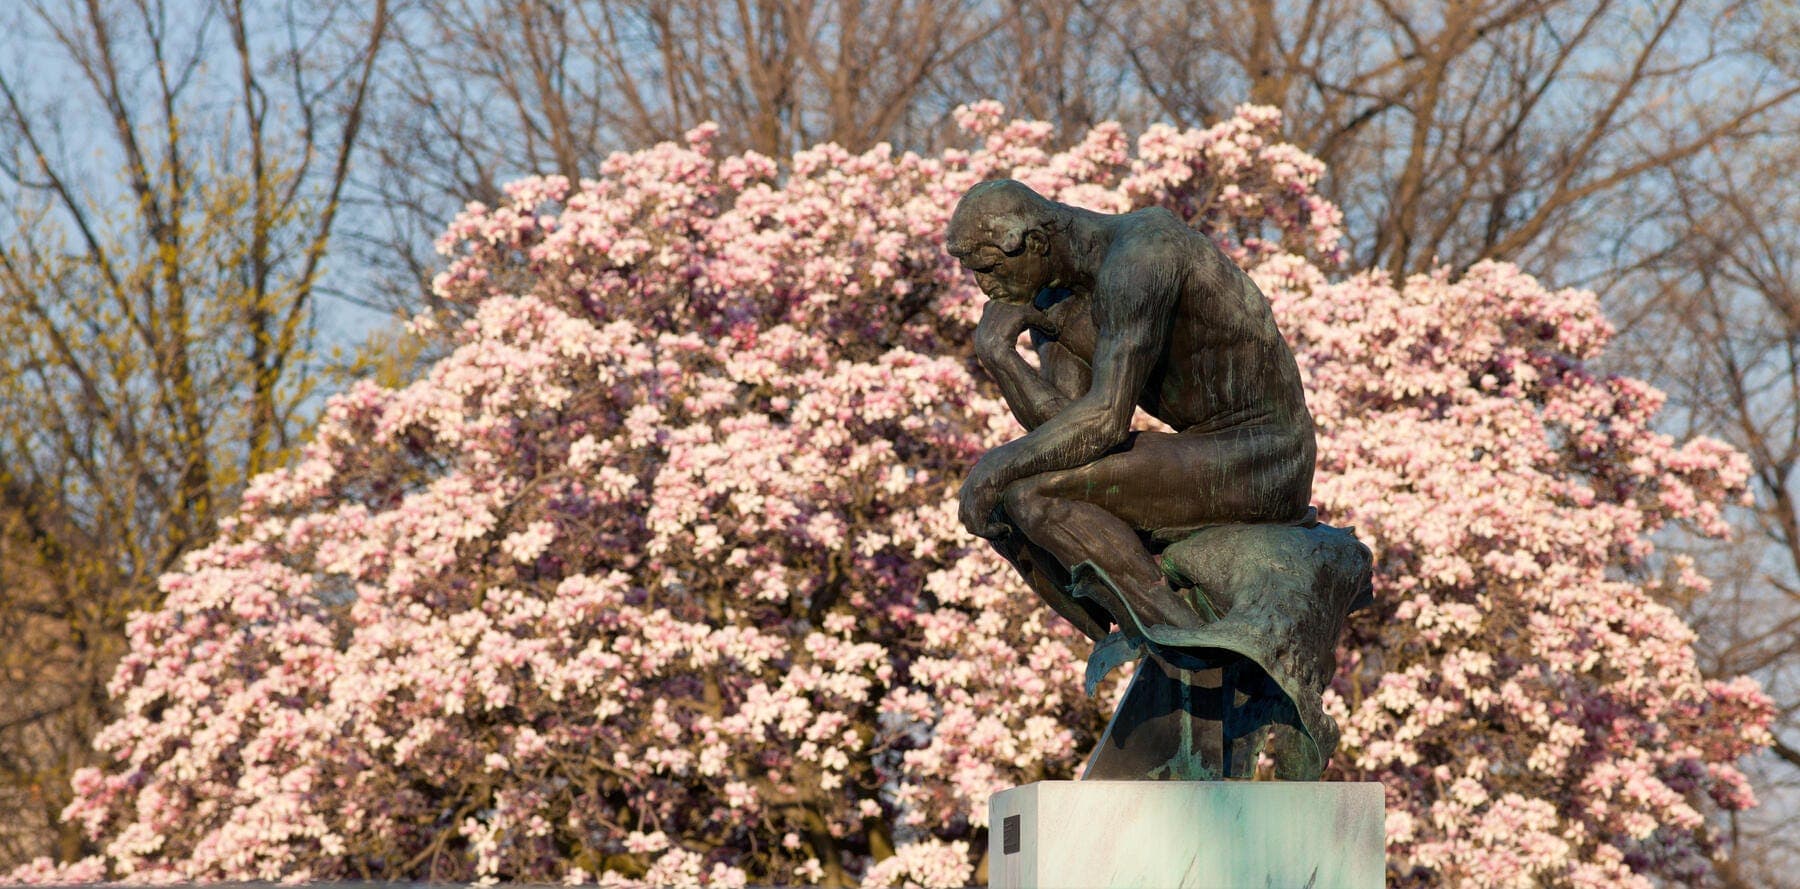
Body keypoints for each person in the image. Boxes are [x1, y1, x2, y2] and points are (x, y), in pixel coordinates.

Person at [946, 179, 1317, 644]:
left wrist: (992, 468)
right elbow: (1065, 428)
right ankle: (1144, 634)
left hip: (1267, 453)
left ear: (1035, 243)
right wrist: (998, 356)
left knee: (1028, 494)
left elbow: (1105, 421)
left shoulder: (1142, 257)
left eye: (989, 268)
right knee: (1009, 500)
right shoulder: (1050, 299)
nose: (984, 288)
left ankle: (1193, 645)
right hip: (1203, 449)